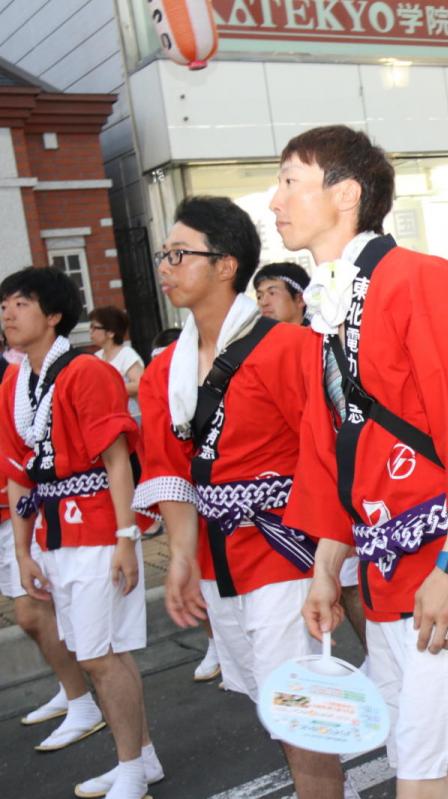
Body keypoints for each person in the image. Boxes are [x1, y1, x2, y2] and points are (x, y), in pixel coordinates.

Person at [273, 125, 448, 799]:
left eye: (291, 181)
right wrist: (326, 569)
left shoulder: (422, 280)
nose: (275, 200)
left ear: (347, 194)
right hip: (386, 574)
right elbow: (330, 454)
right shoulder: (323, 308)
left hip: (445, 563)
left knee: (424, 769)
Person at [132, 196, 346, 797]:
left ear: (226, 265)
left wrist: (328, 562)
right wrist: (177, 556)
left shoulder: (289, 348)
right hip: (212, 558)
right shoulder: (162, 371)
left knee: (295, 706)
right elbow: (170, 474)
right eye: (163, 254)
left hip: (282, 548)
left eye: (180, 254)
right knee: (265, 697)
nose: (166, 266)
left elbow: (326, 456)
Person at [0, 266, 159, 799]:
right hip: (53, 533)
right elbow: (20, 473)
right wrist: (23, 552)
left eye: (20, 304)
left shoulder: (86, 372)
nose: (7, 314)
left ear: (53, 314)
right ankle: (143, 758)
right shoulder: (14, 382)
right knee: (98, 651)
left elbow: (118, 461)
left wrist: (125, 537)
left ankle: (132, 769)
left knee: (99, 655)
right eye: (4, 306)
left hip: (95, 528)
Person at [253, 259, 371, 660]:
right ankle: (379, 661)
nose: (264, 301)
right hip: (304, 489)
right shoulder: (262, 348)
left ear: (301, 299)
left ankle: (381, 659)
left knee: (355, 582)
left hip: (344, 477)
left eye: (272, 292)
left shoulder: (317, 341)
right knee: (342, 584)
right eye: (259, 295)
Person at [0, 335, 102, 753]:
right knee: (35, 612)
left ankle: (81, 701)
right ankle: (71, 689)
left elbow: (21, 456)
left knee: (32, 610)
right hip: (16, 507)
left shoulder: (13, 378)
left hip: (25, 507)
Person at [89, 306, 145, 417]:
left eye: (94, 328)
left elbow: (141, 384)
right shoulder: (96, 357)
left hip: (131, 417)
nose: (90, 332)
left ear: (110, 333)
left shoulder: (126, 354)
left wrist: (108, 390)